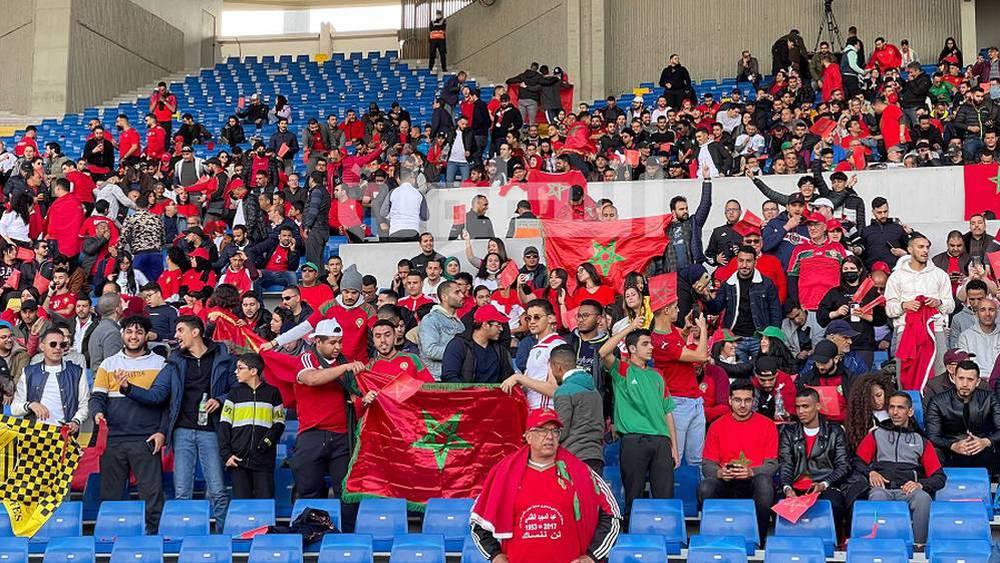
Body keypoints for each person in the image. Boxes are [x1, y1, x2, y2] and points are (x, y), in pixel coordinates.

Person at [470, 408, 621, 563]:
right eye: (542, 430)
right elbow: (478, 520)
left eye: (555, 431)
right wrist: (495, 555)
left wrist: (591, 556)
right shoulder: (504, 474)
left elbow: (613, 515)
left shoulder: (582, 472)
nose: (549, 436)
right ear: (528, 436)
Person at [150, 316, 235, 529]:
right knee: (182, 492)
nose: (176, 335)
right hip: (182, 431)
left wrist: (220, 400)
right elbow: (158, 394)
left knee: (217, 490)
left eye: (180, 330)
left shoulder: (223, 356)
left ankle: (225, 537)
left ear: (195, 332)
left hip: (211, 430)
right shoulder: (175, 360)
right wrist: (128, 389)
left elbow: (237, 389)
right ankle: (185, 536)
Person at [89, 315, 167, 534]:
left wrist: (162, 432)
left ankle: (152, 536)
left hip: (146, 439)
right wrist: (97, 413)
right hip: (113, 438)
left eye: (139, 332)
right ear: (122, 334)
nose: (133, 336)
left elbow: (165, 404)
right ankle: (110, 538)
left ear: (146, 336)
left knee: (152, 494)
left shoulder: (160, 364)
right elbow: (98, 398)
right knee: (110, 495)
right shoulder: (109, 363)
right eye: (129, 332)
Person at [600, 317, 679, 516]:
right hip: (634, 440)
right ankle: (632, 540)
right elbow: (603, 352)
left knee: (665, 498)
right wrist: (630, 328)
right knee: (633, 498)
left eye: (651, 343)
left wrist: (674, 448)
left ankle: (662, 540)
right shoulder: (623, 370)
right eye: (645, 344)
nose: (651, 347)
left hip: (661, 441)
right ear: (632, 349)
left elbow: (667, 411)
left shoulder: (657, 375)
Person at [854, 391, 946, 549]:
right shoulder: (876, 435)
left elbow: (939, 477)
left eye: (900, 408)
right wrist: (871, 472)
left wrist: (920, 485)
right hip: (883, 488)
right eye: (891, 407)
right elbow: (857, 462)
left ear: (910, 411)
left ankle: (919, 547)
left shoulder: (921, 441)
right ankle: (879, 547)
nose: (895, 412)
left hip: (908, 490)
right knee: (877, 496)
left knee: (923, 499)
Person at [698, 379, 778, 545]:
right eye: (737, 400)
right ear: (729, 400)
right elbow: (707, 464)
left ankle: (759, 540)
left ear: (753, 401)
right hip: (726, 482)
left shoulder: (768, 426)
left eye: (747, 400)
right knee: (706, 486)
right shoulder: (716, 426)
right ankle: (714, 538)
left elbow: (772, 464)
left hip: (752, 483)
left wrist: (751, 472)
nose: (742, 405)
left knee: (764, 482)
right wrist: (720, 473)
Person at [293, 319, 366, 500]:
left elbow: (356, 395)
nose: (338, 347)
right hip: (313, 434)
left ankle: (348, 529)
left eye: (340, 342)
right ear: (318, 341)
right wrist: (344, 367)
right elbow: (312, 379)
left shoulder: (344, 362)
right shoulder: (307, 358)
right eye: (332, 342)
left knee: (347, 493)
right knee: (309, 490)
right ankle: (314, 528)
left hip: (342, 436)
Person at [778, 387, 851, 541]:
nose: (800, 411)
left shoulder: (834, 431)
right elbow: (786, 464)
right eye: (798, 407)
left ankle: (833, 544)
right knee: (776, 502)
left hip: (826, 485)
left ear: (817, 406)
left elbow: (843, 465)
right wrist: (787, 487)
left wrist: (824, 484)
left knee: (834, 504)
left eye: (806, 406)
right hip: (796, 487)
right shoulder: (789, 432)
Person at [651, 277, 709, 467]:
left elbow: (678, 342)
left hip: (694, 399)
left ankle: (694, 496)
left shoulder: (672, 332)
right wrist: (703, 329)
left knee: (696, 460)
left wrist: (684, 332)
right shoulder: (659, 341)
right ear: (666, 310)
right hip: (677, 402)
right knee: (676, 458)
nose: (678, 310)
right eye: (675, 307)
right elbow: (701, 356)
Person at [884, 234, 955, 379]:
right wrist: (904, 305)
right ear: (910, 249)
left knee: (939, 375)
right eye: (920, 247)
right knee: (906, 375)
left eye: (927, 247)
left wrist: (939, 303)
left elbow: (951, 306)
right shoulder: (896, 277)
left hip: (935, 329)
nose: (925, 250)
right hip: (905, 329)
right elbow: (889, 309)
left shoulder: (940, 275)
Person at [218, 352, 285, 499]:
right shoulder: (233, 394)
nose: (236, 372)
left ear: (253, 371)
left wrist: (266, 443)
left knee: (265, 504)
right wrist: (226, 455)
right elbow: (224, 426)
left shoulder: (273, 393)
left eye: (240, 368)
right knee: (242, 506)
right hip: (238, 461)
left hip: (263, 460)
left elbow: (279, 423)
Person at [706, 246, 782, 359]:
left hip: (759, 339)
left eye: (748, 261)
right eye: (741, 260)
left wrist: (772, 338)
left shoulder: (766, 283)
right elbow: (715, 308)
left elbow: (775, 312)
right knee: (736, 374)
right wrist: (705, 296)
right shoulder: (728, 284)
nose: (744, 265)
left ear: (755, 262)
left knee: (760, 373)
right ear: (737, 261)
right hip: (735, 339)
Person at [925, 360, 1000, 470]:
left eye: (970, 379)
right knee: (934, 451)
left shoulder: (990, 398)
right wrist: (952, 445)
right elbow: (932, 435)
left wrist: (986, 442)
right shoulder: (938, 401)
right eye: (961, 378)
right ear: (954, 378)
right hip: (950, 451)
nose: (965, 384)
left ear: (978, 381)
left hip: (983, 449)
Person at [12, 327, 90, 431]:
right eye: (53, 344)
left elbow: (85, 404)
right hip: (34, 435)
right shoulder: (28, 372)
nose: (58, 348)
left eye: (62, 345)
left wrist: (76, 421)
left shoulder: (77, 372)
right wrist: (31, 405)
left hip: (65, 434)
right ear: (42, 346)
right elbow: (15, 408)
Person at [547, 344, 604, 474]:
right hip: (596, 456)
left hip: (574, 457)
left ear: (557, 367)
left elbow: (562, 429)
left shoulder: (564, 391)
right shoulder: (594, 389)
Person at [501, 299, 565, 410]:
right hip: (534, 410)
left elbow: (554, 390)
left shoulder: (556, 345)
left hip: (546, 413)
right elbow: (530, 384)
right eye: (528, 318)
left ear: (550, 318)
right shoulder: (536, 347)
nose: (531, 321)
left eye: (537, 317)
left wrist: (519, 378)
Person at [440, 306, 513, 384]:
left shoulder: (499, 350)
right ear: (485, 325)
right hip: (466, 395)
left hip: (493, 396)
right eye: (498, 324)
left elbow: (508, 377)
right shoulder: (458, 346)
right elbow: (449, 376)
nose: (501, 329)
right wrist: (467, 393)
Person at [418, 281, 466, 380]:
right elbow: (430, 350)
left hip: (453, 377)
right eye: (457, 292)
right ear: (444, 297)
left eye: (461, 292)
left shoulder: (459, 323)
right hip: (436, 379)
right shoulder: (431, 319)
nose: (462, 295)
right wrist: (458, 353)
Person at [957, 297, 1000, 373]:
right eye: (983, 310)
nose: (987, 314)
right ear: (976, 314)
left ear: (997, 313)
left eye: (991, 310)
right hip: (976, 380)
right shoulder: (965, 337)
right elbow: (965, 366)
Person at [86, 293, 123, 371]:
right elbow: (113, 366)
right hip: (107, 380)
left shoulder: (98, 329)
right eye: (121, 305)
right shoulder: (112, 332)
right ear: (117, 309)